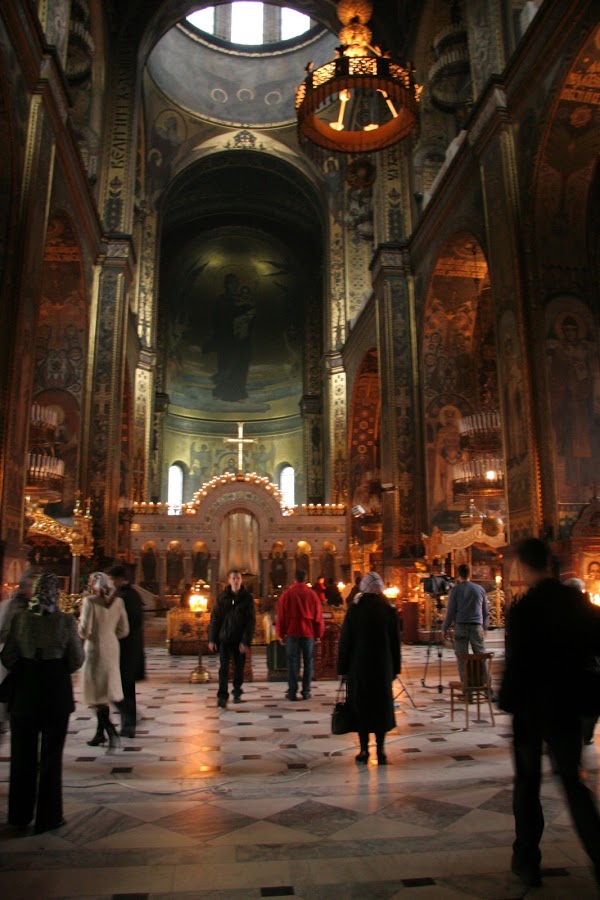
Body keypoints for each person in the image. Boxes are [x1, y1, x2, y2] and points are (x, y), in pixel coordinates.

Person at [499, 538, 600, 889]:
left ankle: (527, 860)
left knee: (527, 784)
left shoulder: (524, 608)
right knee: (572, 780)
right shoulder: (576, 601)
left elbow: (519, 661)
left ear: (524, 567)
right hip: (567, 705)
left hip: (530, 707)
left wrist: (508, 699)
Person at [0, 573, 83, 833]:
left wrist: (28, 665)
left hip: (24, 692)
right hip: (55, 692)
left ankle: (19, 815)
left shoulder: (21, 620)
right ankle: (49, 816)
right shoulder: (65, 621)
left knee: (21, 756)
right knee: (51, 756)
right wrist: (54, 665)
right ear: (55, 593)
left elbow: (8, 657)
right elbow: (76, 659)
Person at [337, 571, 401, 765]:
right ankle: (381, 751)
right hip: (382, 667)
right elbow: (395, 643)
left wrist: (343, 668)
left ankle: (364, 751)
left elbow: (345, 641)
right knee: (380, 707)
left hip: (360, 666)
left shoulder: (355, 609)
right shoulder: (389, 609)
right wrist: (395, 668)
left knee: (362, 706)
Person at [78, 572, 129, 748]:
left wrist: (84, 629)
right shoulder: (118, 602)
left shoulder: (90, 602)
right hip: (112, 647)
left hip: (95, 648)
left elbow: (84, 631)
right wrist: (109, 635)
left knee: (97, 693)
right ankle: (100, 733)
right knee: (104, 692)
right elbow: (124, 630)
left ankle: (110, 730)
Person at [107, 564, 146, 739]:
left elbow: (124, 624)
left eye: (111, 579)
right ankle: (128, 723)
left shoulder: (122, 597)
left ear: (119, 579)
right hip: (131, 649)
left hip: (125, 649)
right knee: (125, 688)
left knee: (118, 689)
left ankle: (130, 720)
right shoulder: (131, 595)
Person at [208, 569, 255, 708]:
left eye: (238, 578)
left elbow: (250, 622)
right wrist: (212, 639)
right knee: (223, 668)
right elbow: (215, 619)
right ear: (229, 580)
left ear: (241, 580)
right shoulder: (222, 597)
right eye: (233, 578)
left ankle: (237, 691)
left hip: (239, 640)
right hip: (225, 639)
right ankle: (222, 695)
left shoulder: (247, 598)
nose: (236, 580)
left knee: (239, 668)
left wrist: (245, 641)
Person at [276, 570, 325, 701]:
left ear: (295, 579)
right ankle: (306, 692)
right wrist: (318, 634)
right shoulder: (312, 595)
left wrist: (281, 634)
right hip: (308, 633)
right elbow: (318, 617)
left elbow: (281, 616)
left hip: (292, 632)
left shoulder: (287, 594)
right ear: (305, 579)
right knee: (308, 662)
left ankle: (292, 692)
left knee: (292, 662)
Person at [442, 564, 490, 684]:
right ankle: (487, 688)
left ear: (458, 575)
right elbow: (485, 611)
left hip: (461, 626)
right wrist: (485, 627)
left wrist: (445, 627)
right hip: (476, 626)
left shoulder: (455, 590)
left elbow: (451, 611)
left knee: (462, 658)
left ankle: (467, 688)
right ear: (469, 574)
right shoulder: (479, 589)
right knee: (481, 656)